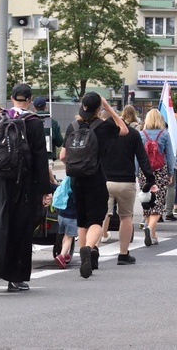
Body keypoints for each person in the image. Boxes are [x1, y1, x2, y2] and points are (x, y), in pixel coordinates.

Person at [0, 84, 53, 292]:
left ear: (11, 98)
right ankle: (15, 277)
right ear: (31, 99)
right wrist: (45, 190)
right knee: (20, 229)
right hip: (23, 183)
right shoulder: (34, 122)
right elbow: (40, 159)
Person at [60, 92, 128, 279]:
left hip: (76, 180)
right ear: (99, 108)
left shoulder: (72, 126)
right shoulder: (103, 127)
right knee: (96, 220)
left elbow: (62, 156)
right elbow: (124, 130)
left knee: (82, 221)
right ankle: (89, 249)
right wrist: (110, 109)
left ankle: (83, 256)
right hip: (96, 178)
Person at [100, 111, 158, 264]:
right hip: (126, 181)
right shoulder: (132, 134)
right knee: (126, 217)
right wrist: (150, 178)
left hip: (105, 181)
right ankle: (123, 254)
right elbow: (142, 157)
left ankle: (93, 248)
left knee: (101, 215)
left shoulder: (103, 135)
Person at [136, 109, 174, 246]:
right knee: (158, 202)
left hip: (144, 172)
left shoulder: (141, 134)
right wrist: (170, 172)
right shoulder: (164, 134)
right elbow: (169, 155)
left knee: (146, 200)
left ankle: (152, 234)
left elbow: (137, 155)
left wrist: (137, 172)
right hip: (160, 171)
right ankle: (150, 228)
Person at [32, 96, 64, 162]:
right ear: (46, 106)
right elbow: (59, 142)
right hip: (48, 157)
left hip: (33, 157)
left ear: (34, 108)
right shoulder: (54, 123)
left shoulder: (30, 122)